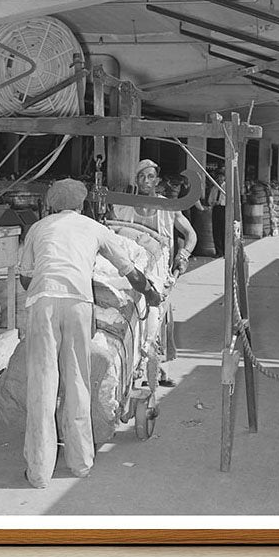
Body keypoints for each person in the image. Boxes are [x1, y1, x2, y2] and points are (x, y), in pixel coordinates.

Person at [18, 178, 161, 488]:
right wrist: (150, 294)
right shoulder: (94, 228)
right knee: (77, 381)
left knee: (42, 385)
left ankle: (39, 472)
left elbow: (25, 280)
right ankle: (81, 463)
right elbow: (129, 270)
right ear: (82, 204)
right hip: (79, 304)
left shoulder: (38, 228)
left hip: (43, 302)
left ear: (51, 204)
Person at [111, 159, 196, 386]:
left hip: (157, 267)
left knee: (156, 314)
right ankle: (133, 367)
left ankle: (156, 368)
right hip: (132, 263)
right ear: (136, 180)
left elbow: (191, 234)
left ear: (157, 180)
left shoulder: (168, 207)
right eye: (141, 176)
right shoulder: (124, 206)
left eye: (150, 176)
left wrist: (184, 254)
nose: (146, 180)